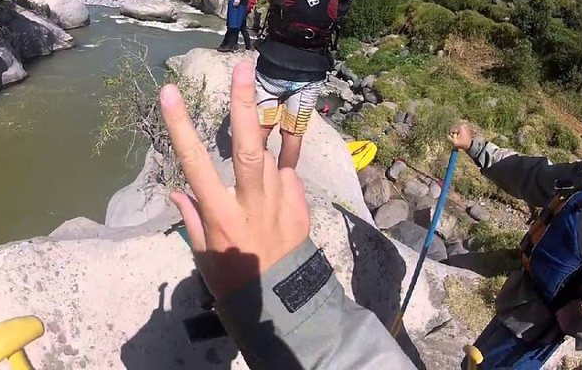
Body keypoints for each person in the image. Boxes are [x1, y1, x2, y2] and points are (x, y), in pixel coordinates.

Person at [159, 61, 416, 369]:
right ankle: (275, 178)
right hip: (306, 79)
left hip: (278, 76)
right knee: (286, 138)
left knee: (268, 140)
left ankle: (272, 180)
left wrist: (289, 294)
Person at [449, 97, 582, 369]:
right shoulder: (576, 178)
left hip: (541, 329)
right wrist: (473, 146)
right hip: (514, 302)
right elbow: (528, 174)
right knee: (472, 364)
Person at [251, 0, 360, 169]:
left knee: (262, 129)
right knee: (292, 135)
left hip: (273, 61)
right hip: (313, 68)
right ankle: (284, 186)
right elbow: (342, 10)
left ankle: (253, 187)